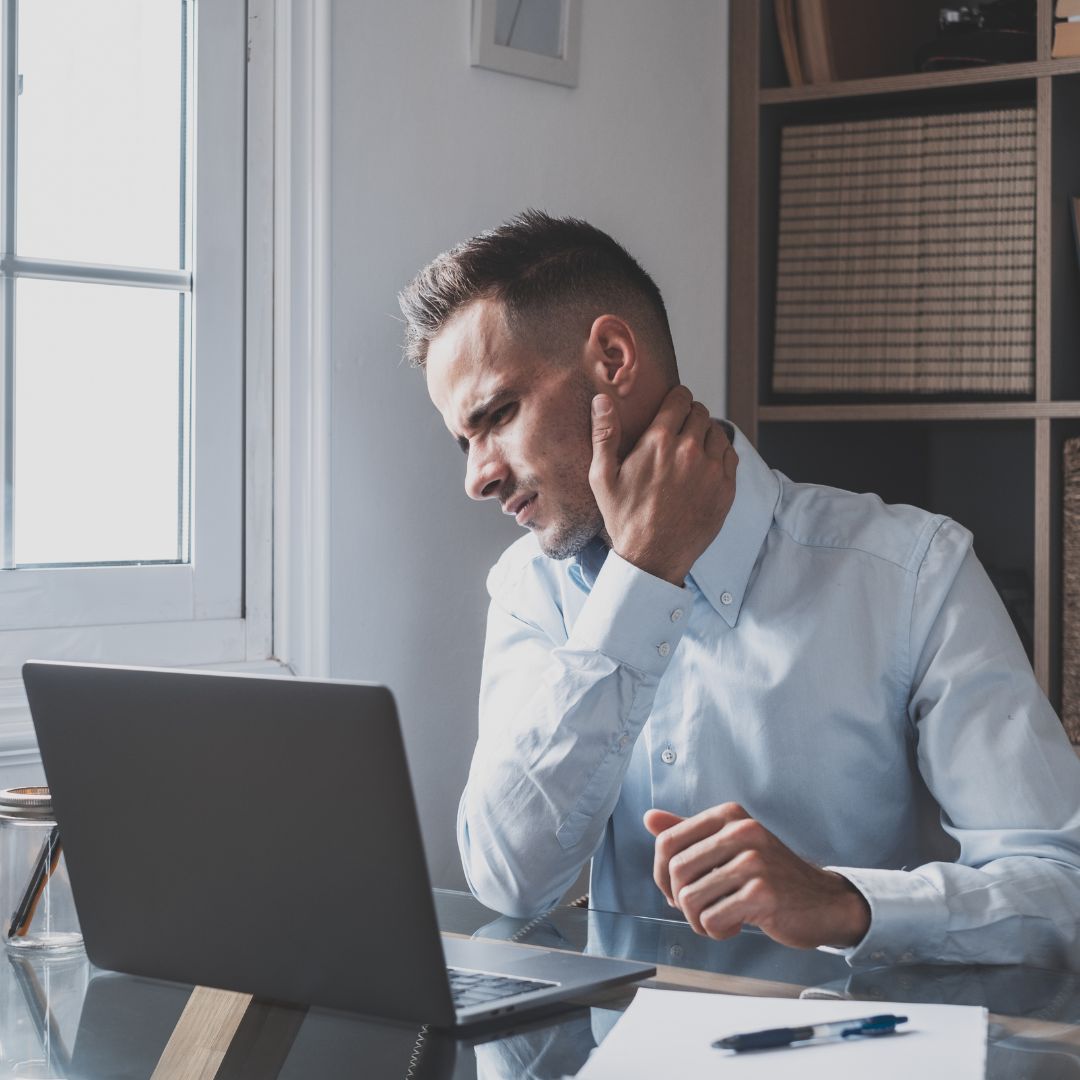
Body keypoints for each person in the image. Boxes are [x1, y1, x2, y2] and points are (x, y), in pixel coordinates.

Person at [398, 210, 1080, 967]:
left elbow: (1060, 889)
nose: (478, 476)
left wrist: (844, 903)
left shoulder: (912, 572)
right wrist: (641, 578)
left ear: (613, 359)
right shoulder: (532, 587)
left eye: (498, 415)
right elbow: (508, 883)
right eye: (465, 441)